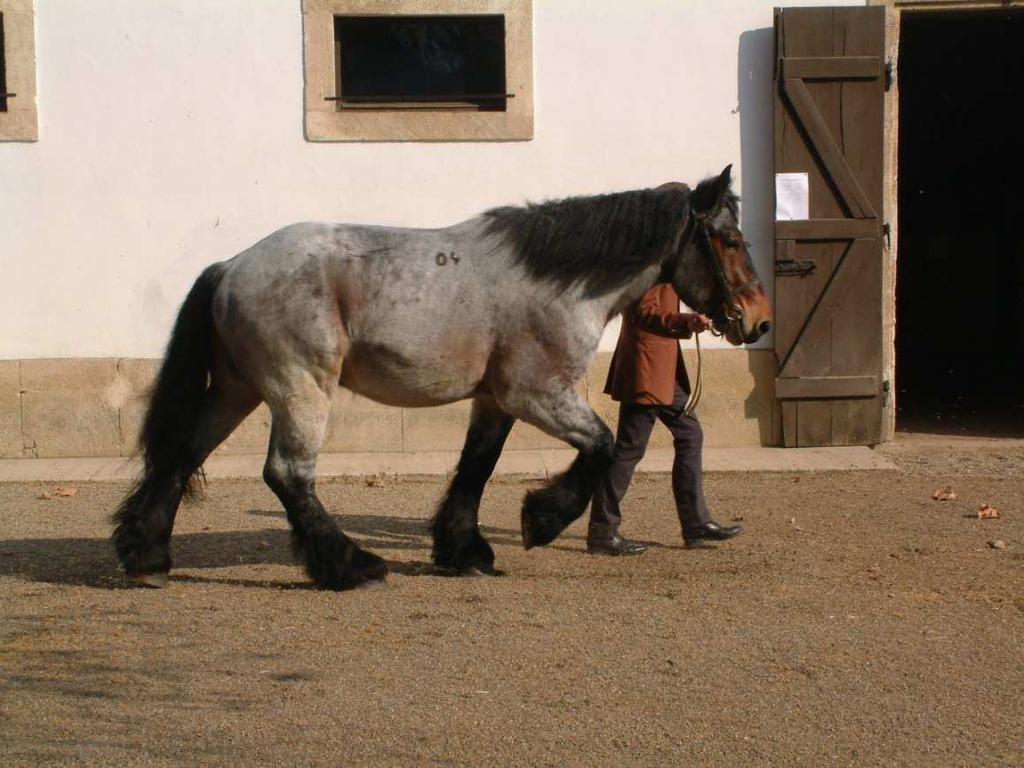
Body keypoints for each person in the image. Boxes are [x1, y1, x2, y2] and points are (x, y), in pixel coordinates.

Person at [586, 282, 743, 555]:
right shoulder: (652, 263)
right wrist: (685, 321)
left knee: (689, 435)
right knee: (629, 449)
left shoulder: (665, 261)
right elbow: (642, 312)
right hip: (646, 369)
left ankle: (696, 523)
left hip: (662, 370)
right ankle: (601, 532)